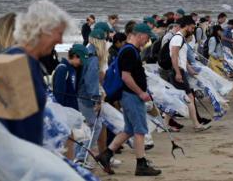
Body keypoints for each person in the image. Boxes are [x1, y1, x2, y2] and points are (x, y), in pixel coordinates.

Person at [2, 0, 72, 146]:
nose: (60, 41)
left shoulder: (33, 63)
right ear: (42, 30)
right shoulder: (18, 63)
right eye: (59, 33)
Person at [97, 24, 162, 176]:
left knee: (129, 130)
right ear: (140, 35)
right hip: (132, 96)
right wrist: (141, 93)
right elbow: (126, 76)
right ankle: (141, 164)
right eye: (147, 37)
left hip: (129, 95)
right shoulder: (129, 52)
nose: (147, 41)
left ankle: (106, 155)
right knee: (140, 130)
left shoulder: (129, 50)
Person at [167, 17, 210, 131]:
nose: (193, 29)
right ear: (186, 26)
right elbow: (174, 56)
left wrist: (190, 69)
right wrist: (177, 72)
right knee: (189, 98)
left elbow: (181, 57)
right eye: (191, 27)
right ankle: (196, 125)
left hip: (180, 70)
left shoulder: (180, 38)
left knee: (176, 99)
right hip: (177, 71)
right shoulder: (177, 38)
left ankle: (165, 124)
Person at [76, 38, 104, 167]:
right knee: (95, 126)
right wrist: (96, 99)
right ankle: (82, 157)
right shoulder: (93, 59)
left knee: (86, 127)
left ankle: (79, 156)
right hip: (86, 98)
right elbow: (90, 82)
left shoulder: (87, 53)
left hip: (81, 96)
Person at [52, 44, 85, 111]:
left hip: (73, 111)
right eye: (81, 60)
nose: (81, 63)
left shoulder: (74, 69)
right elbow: (59, 96)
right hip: (66, 113)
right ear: (75, 56)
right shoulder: (62, 69)